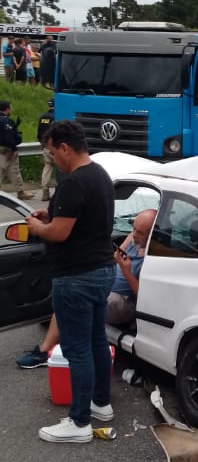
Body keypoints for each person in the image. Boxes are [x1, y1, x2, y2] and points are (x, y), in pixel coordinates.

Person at [25, 120, 115, 443]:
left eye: (52, 152)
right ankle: (101, 404)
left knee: (77, 349)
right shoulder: (100, 175)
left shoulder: (73, 183)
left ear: (64, 147)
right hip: (102, 269)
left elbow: (60, 233)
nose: (53, 159)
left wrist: (38, 229)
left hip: (76, 276)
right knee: (96, 342)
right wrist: (51, 217)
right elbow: (78, 221)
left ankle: (79, 423)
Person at [16, 207, 158, 368]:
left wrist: (126, 271)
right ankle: (59, 348)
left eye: (140, 232)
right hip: (107, 284)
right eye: (134, 228)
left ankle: (49, 351)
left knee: (78, 298)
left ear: (152, 233)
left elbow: (143, 297)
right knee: (71, 288)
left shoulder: (153, 255)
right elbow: (116, 255)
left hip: (125, 302)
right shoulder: (134, 238)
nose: (135, 234)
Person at [0, 99, 32, 199]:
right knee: (14, 171)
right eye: (10, 108)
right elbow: (8, 137)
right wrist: (14, 149)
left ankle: (21, 192)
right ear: (7, 109)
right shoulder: (5, 121)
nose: (11, 110)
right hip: (6, 150)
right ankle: (20, 192)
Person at [37, 99, 55, 201]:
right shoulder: (57, 116)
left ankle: (45, 192)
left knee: (47, 167)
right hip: (55, 147)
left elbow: (39, 132)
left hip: (45, 146)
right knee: (62, 168)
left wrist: (43, 144)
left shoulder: (43, 117)